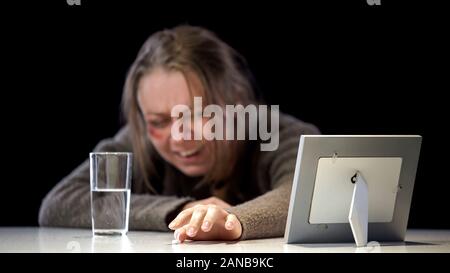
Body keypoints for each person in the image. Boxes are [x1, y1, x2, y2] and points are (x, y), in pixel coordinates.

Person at [39, 25, 320, 242]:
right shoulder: (139, 141)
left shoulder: (276, 132)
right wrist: (185, 212)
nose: (179, 137)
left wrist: (231, 220)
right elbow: (58, 204)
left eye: (197, 114)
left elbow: (302, 192)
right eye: (159, 121)